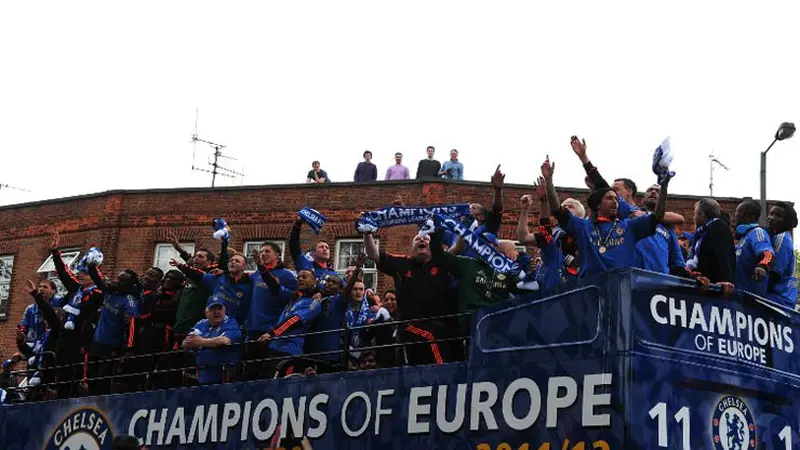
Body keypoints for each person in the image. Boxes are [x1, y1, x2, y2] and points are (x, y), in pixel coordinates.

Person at [542, 155, 670, 278]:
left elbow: (657, 216)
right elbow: (557, 209)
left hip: (623, 290)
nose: (615, 201)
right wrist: (549, 182)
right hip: (591, 291)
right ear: (598, 205)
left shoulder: (629, 225)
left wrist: (664, 186)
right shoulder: (582, 226)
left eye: (616, 198)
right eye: (609, 198)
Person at [364, 230, 458, 365]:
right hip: (410, 325)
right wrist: (367, 233)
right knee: (432, 335)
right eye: (417, 239)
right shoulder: (402, 263)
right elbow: (374, 255)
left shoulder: (441, 261)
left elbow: (458, 246)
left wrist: (466, 226)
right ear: (411, 247)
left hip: (441, 323)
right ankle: (442, 372)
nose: (422, 240)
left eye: (426, 239)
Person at [244, 242, 299, 379]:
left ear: (277, 255)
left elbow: (293, 297)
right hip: (253, 329)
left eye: (267, 251)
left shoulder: (286, 275)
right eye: (262, 252)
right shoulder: (257, 273)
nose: (263, 254)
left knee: (266, 372)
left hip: (271, 330)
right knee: (250, 371)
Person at [256, 269, 321, 377]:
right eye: (298, 277)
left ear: (314, 281)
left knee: (281, 387)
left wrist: (271, 333)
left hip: (289, 351)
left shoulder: (314, 303)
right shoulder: (294, 298)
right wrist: (262, 268)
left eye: (304, 277)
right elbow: (276, 288)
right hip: (273, 347)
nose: (300, 279)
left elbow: (294, 320)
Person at [183, 298, 242, 385]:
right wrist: (189, 342)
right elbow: (185, 343)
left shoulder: (230, 322)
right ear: (206, 313)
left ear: (224, 310)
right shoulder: (201, 324)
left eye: (219, 308)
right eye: (212, 309)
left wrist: (201, 342)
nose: (216, 312)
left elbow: (225, 341)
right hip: (202, 375)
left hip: (225, 377)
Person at [634, 184, 688, 276]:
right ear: (642, 200)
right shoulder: (632, 216)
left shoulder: (668, 227)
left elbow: (677, 259)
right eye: (650, 190)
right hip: (633, 277)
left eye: (658, 191)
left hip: (659, 280)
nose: (653, 192)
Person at [685, 198, 736, 291]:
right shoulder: (701, 232)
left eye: (695, 214)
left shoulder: (719, 227)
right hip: (702, 283)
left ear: (702, 214)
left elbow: (724, 256)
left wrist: (725, 281)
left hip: (714, 287)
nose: (694, 217)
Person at [733, 200, 775, 297]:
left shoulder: (757, 232)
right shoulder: (744, 238)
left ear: (749, 217)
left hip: (751, 303)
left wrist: (763, 266)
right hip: (738, 299)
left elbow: (768, 254)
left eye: (738, 214)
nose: (735, 217)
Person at [289, 216, 339, 286]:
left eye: (327, 248)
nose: (325, 249)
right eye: (321, 247)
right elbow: (294, 246)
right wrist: (297, 225)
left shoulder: (334, 274)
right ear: (313, 253)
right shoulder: (305, 264)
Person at [766, 202, 798, 308]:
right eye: (771, 214)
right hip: (784, 300)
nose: (771, 218)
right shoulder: (782, 238)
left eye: (777, 216)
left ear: (787, 221)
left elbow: (774, 274)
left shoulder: (781, 239)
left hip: (778, 300)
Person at [17, 280, 57, 347]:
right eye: (40, 287)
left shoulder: (58, 303)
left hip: (52, 345)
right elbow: (23, 324)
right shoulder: (30, 309)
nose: (41, 289)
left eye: (45, 287)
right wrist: (21, 331)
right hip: (33, 345)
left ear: (53, 291)